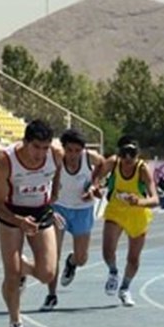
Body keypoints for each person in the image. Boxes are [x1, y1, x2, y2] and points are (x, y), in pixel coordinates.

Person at [0, 119, 63, 327]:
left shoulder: (56, 155)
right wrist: (19, 221)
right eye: (35, 147)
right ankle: (15, 321)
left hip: (40, 210)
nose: (40, 154)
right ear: (25, 142)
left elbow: (57, 173)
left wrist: (54, 197)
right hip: (11, 212)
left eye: (45, 148)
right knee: (11, 274)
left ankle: (25, 267)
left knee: (47, 274)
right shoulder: (5, 161)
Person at [92, 136, 159, 307]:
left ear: (138, 154)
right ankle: (113, 271)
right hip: (115, 210)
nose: (128, 158)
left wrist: (139, 201)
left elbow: (155, 199)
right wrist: (95, 187)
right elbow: (96, 176)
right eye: (124, 153)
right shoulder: (113, 163)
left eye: (132, 153)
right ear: (118, 153)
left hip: (137, 214)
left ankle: (125, 288)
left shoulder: (142, 169)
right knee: (107, 250)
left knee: (133, 258)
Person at [41, 129, 104, 311]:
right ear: (64, 148)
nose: (73, 155)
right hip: (60, 209)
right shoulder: (57, 158)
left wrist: (94, 184)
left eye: (77, 151)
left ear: (82, 150)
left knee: (82, 258)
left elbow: (103, 165)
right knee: (53, 254)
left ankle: (72, 262)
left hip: (83, 210)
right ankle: (51, 295)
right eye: (70, 150)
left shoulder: (89, 157)